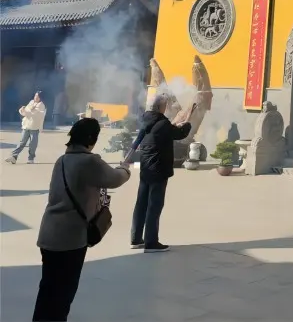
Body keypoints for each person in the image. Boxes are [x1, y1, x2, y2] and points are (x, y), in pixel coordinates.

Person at [33, 118, 130, 321]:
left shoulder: (62, 160)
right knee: (63, 294)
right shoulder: (90, 161)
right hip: (70, 238)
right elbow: (115, 179)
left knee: (48, 291)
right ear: (91, 139)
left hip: (49, 234)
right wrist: (125, 169)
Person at [131, 93, 191, 252]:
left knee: (141, 203)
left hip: (145, 167)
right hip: (158, 168)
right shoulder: (163, 123)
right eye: (166, 105)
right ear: (160, 107)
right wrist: (187, 123)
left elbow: (141, 139)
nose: (167, 107)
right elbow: (180, 134)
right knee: (154, 205)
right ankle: (151, 242)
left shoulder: (146, 119)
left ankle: (136, 238)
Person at [6, 91, 47, 164]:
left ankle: (31, 158)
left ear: (41, 98)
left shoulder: (41, 105)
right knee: (22, 142)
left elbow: (35, 114)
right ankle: (14, 156)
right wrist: (22, 110)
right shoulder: (31, 102)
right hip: (26, 126)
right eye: (35, 96)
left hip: (34, 127)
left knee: (32, 144)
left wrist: (28, 111)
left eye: (37, 96)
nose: (35, 97)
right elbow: (26, 112)